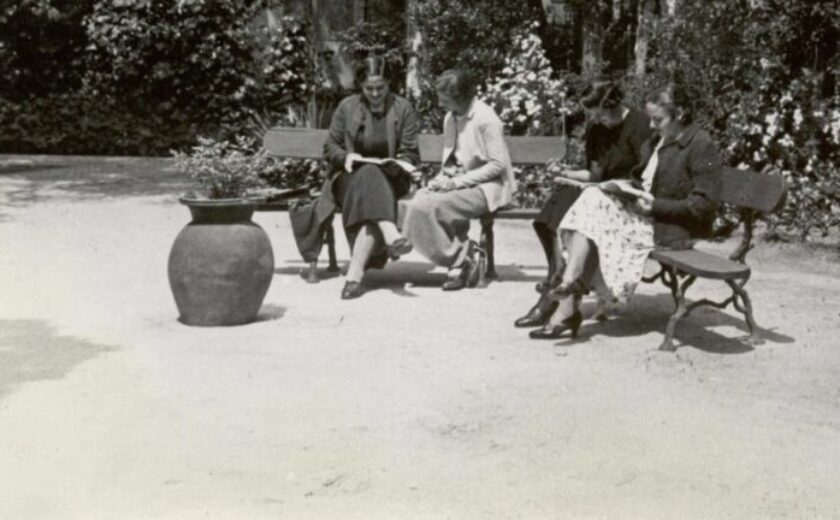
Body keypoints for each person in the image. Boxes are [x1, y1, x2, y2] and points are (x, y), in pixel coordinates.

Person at [529, 78, 722, 340]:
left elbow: (704, 204)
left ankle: (568, 294)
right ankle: (568, 289)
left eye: (657, 119)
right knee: (593, 198)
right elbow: (642, 178)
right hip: (646, 216)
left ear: (680, 114)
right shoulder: (658, 140)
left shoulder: (700, 144)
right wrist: (625, 189)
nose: (651, 125)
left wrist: (655, 206)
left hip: (673, 228)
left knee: (594, 214)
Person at [514, 79, 653, 328]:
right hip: (601, 193)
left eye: (600, 115)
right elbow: (594, 175)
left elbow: (646, 177)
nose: (597, 121)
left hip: (628, 201)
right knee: (559, 202)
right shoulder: (597, 130)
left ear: (613, 104)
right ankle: (557, 273)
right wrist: (564, 172)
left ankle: (554, 294)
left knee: (585, 204)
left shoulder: (640, 125)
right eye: (593, 116)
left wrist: (619, 187)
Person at [401, 68, 514, 290]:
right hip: (459, 182)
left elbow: (497, 165)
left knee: (431, 206)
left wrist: (455, 183)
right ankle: (462, 257)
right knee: (410, 204)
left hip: (488, 187)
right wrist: (440, 179)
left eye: (444, 100)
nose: (439, 104)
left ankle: (459, 261)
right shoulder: (450, 118)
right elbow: (451, 159)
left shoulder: (485, 118)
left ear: (460, 97)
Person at [322, 55, 420, 299]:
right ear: (360, 86)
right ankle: (390, 232)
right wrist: (346, 157)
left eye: (380, 88)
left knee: (373, 183)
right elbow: (331, 146)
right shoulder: (347, 107)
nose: (375, 93)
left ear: (389, 83)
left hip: (391, 178)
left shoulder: (403, 108)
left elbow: (411, 152)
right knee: (369, 174)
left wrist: (398, 163)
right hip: (349, 178)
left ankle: (354, 275)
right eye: (369, 88)